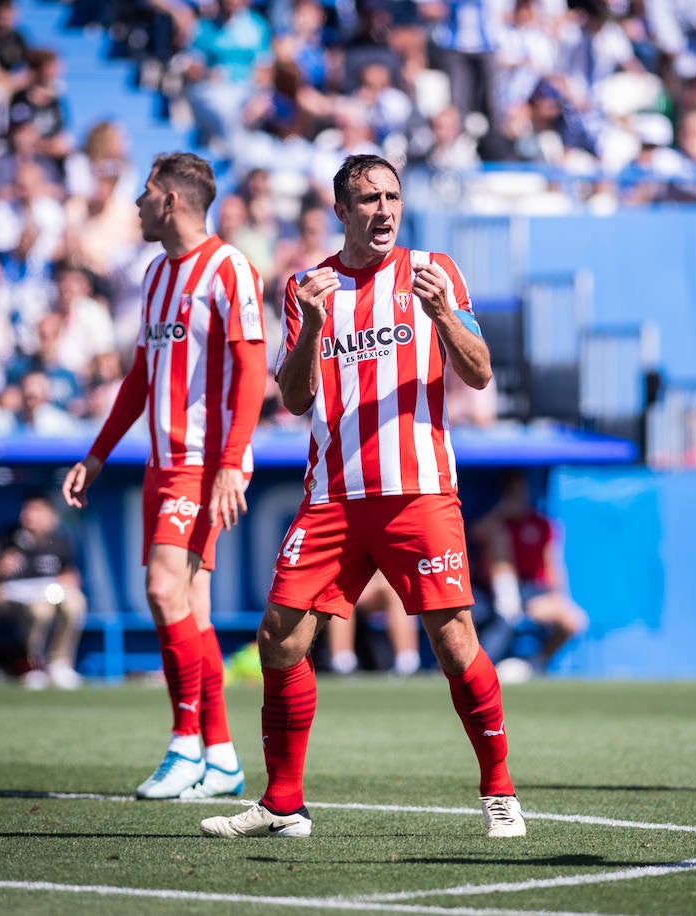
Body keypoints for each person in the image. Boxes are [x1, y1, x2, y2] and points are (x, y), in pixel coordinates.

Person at [199, 154, 525, 842]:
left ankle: (499, 790)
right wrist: (313, 327)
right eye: (368, 199)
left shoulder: (433, 272)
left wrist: (442, 315)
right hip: (334, 495)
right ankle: (284, 803)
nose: (383, 209)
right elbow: (292, 400)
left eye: (391, 197)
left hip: (419, 491)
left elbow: (480, 372)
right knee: (281, 635)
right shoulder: (308, 287)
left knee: (453, 638)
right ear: (341, 212)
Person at [61, 152, 269, 800]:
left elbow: (253, 371)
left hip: (202, 463)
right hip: (159, 463)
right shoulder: (155, 275)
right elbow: (142, 378)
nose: (136, 204)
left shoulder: (230, 268)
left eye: (145, 193)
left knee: (160, 591)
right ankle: (225, 758)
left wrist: (233, 460)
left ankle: (184, 744)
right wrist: (96, 454)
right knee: (190, 613)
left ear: (171, 200)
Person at [473, 470, 588, 674]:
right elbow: (477, 534)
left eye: (520, 491)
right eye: (512, 492)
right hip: (492, 592)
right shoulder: (497, 523)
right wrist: (501, 511)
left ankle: (536, 663)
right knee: (505, 612)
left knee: (574, 620)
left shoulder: (540, 524)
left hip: (532, 591)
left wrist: (556, 596)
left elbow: (552, 562)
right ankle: (479, 666)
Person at [0, 492, 88, 690]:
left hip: (48, 594)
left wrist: (64, 582)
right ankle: (33, 665)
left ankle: (60, 663)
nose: (29, 516)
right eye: (27, 510)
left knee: (75, 602)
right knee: (40, 610)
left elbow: (72, 575)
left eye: (36, 511)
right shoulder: (5, 538)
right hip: (8, 597)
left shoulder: (59, 541)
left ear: (51, 515)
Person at [324, 570, 421, 676]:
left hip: (376, 586)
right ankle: (343, 662)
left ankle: (407, 662)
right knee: (340, 593)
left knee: (396, 590)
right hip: (344, 585)